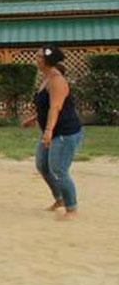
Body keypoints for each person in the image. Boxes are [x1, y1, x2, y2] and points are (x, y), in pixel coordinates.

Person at [21, 46, 83, 220]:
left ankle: (72, 209)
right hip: (52, 131)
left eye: (40, 57)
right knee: (43, 166)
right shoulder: (46, 77)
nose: (36, 58)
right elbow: (46, 106)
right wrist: (34, 118)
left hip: (65, 133)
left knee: (58, 170)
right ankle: (60, 199)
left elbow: (56, 106)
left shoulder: (57, 80)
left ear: (48, 61)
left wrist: (48, 131)